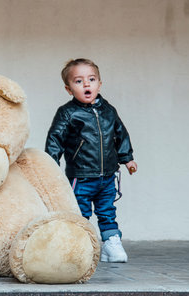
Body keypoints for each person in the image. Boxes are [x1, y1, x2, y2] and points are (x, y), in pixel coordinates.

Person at [45, 58, 137, 263]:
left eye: (91, 79)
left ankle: (111, 244)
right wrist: (50, 164)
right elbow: (55, 139)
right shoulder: (68, 113)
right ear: (69, 89)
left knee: (107, 211)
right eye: (78, 81)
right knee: (80, 212)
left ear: (99, 84)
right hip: (82, 176)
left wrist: (127, 158)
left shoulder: (108, 110)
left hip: (107, 176)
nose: (86, 84)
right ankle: (80, 245)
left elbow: (121, 134)